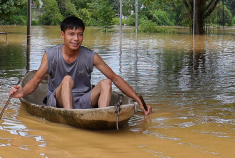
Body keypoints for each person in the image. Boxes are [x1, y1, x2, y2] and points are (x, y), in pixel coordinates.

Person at [8, 16, 152, 115]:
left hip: (84, 101)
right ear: (62, 35)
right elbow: (36, 80)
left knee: (106, 82)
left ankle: (102, 116)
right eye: (71, 34)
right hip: (58, 101)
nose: (76, 39)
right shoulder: (51, 55)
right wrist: (23, 92)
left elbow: (115, 78)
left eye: (80, 34)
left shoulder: (91, 56)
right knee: (67, 80)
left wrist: (139, 101)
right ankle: (70, 115)